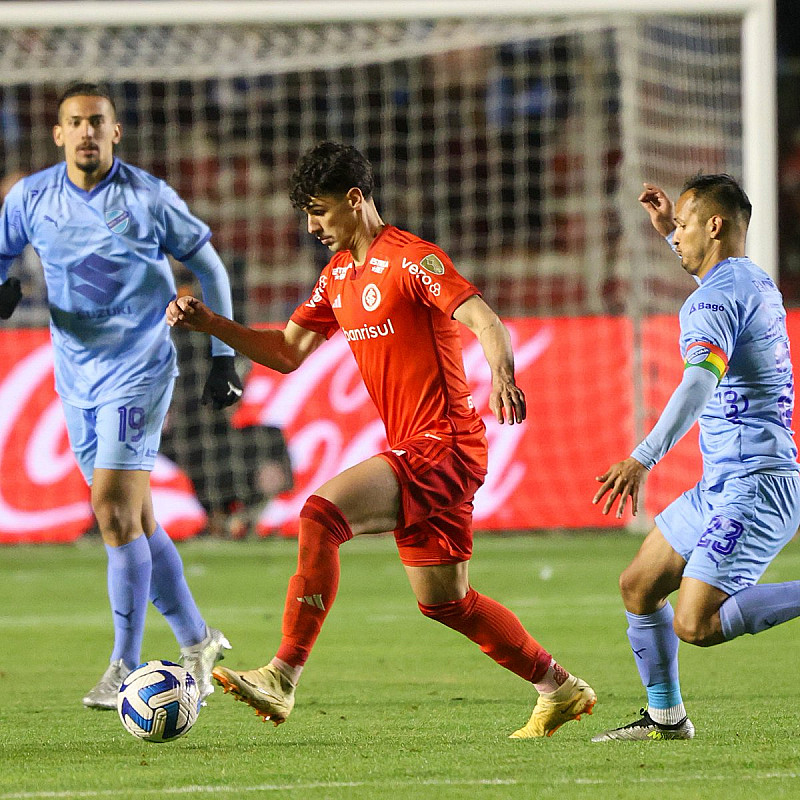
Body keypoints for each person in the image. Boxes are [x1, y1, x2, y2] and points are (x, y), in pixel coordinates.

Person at [166, 140, 596, 738]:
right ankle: (559, 687)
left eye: (319, 210)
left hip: (444, 442)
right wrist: (211, 323)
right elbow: (288, 352)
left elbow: (483, 319)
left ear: (355, 198)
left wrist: (502, 374)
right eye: (306, 214)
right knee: (445, 601)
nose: (312, 226)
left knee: (320, 515)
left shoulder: (412, 260)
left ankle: (282, 675)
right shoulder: (338, 275)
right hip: (419, 448)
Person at [0, 82, 242, 709]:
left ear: (116, 132)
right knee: (134, 519)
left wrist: (223, 355)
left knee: (110, 508)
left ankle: (122, 665)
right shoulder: (29, 198)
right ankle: (198, 639)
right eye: (74, 122)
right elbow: (1, 259)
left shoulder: (148, 197)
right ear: (58, 134)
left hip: (140, 368)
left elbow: (212, 267)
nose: (85, 132)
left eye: (96, 122)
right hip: (75, 375)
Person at [592, 174, 800, 741]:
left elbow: (697, 385)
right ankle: (666, 718)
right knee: (639, 584)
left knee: (696, 623)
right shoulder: (753, 279)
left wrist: (643, 456)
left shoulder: (712, 299)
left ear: (715, 226)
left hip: (753, 484)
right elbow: (711, 265)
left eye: (683, 226)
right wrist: (671, 233)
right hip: (729, 481)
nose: (675, 235)